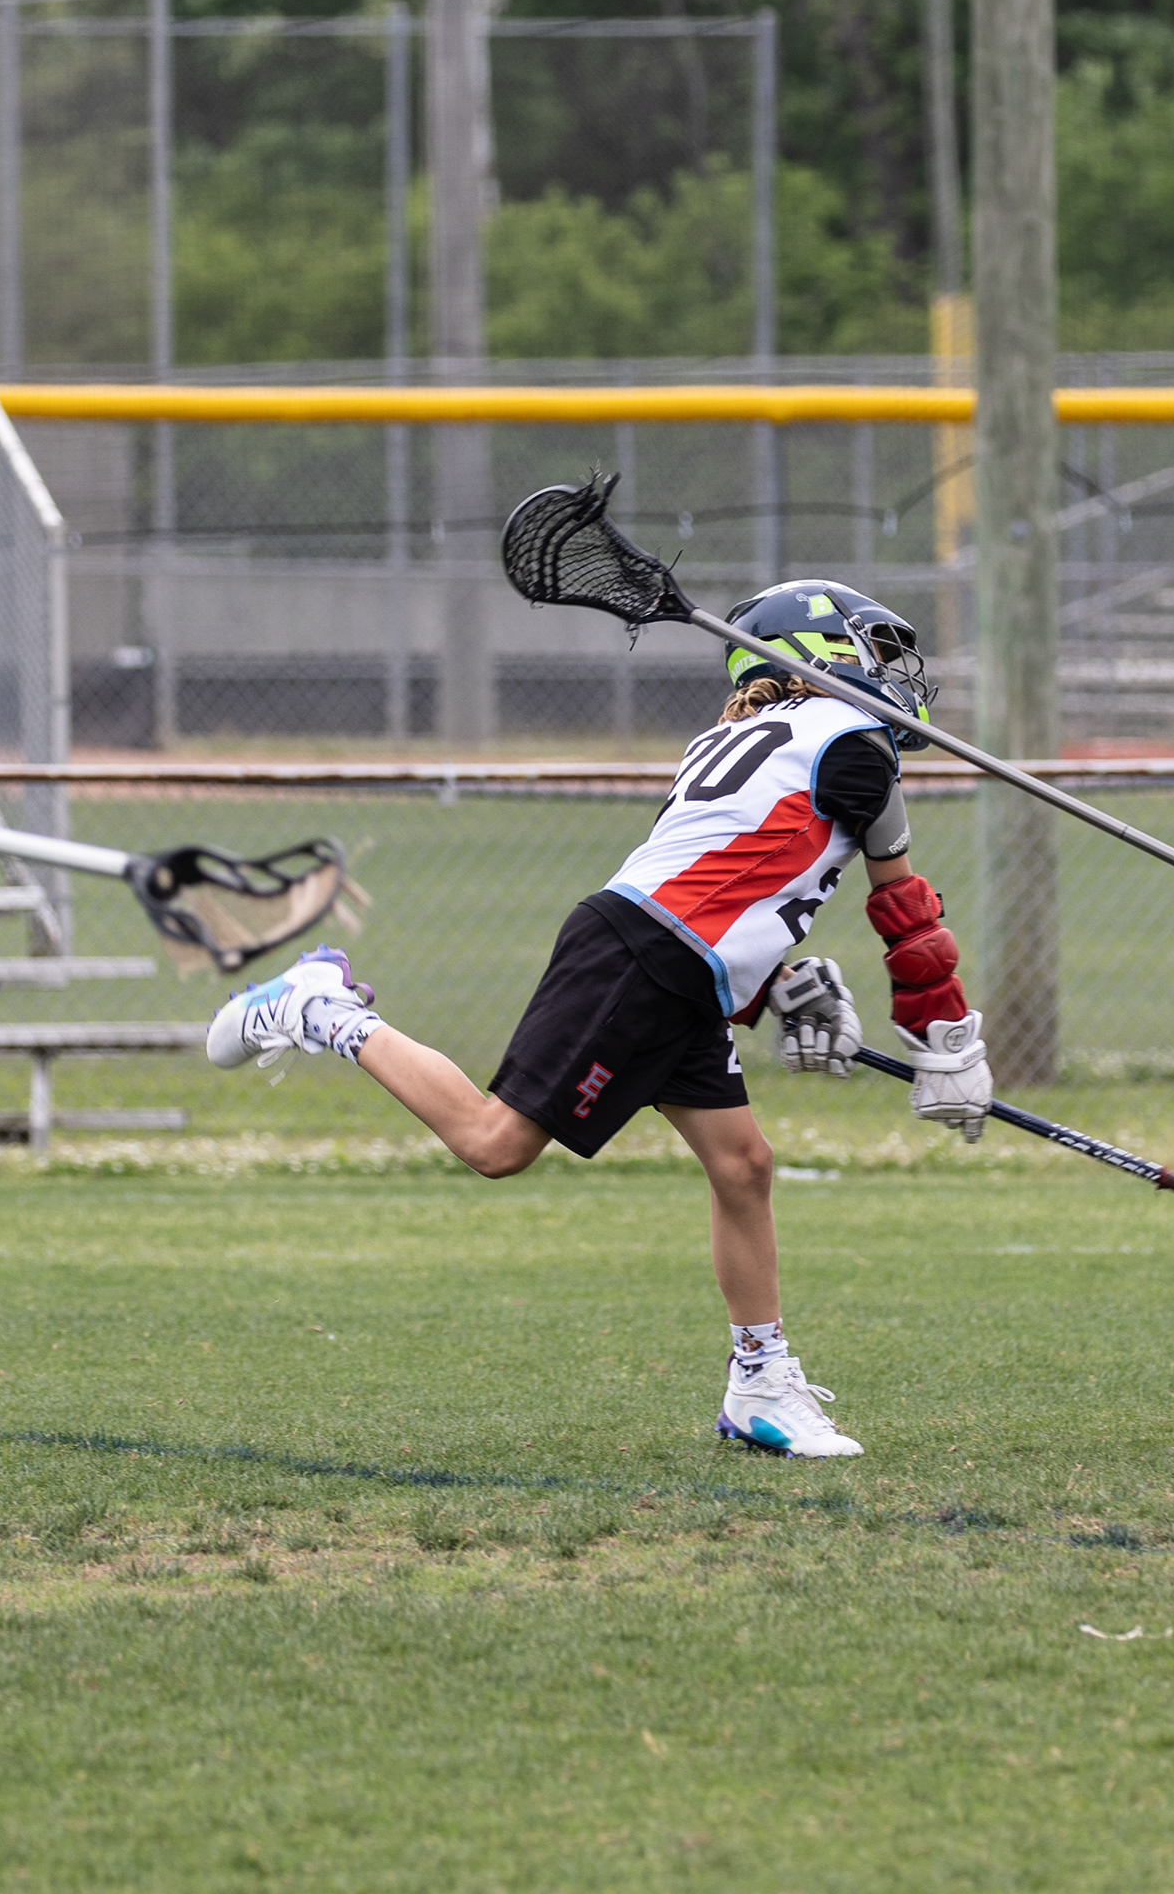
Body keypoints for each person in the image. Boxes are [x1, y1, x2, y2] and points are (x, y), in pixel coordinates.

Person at [204, 581, 991, 1459]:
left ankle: (760, 1386)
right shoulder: (851, 743)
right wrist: (947, 1042)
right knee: (496, 1144)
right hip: (644, 958)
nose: (892, 672)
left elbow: (721, 880)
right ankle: (320, 1008)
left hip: (668, 957)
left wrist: (778, 985)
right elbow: (905, 920)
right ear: (820, 655)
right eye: (874, 650)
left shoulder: (760, 738)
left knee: (743, 1166)